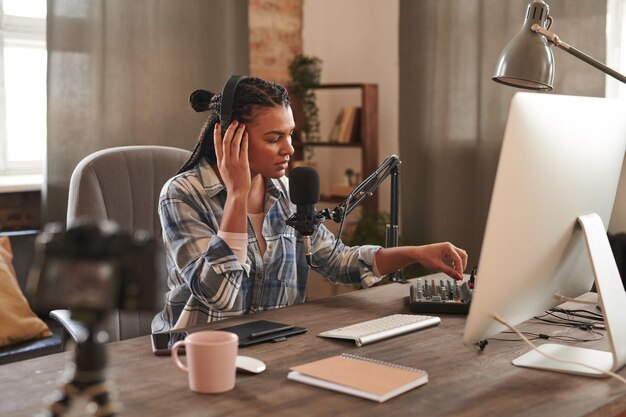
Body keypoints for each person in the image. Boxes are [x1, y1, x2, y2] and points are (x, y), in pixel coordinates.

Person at [152, 76, 468, 333]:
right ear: (231, 138)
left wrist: (416, 253)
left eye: (291, 135)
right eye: (274, 138)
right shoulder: (182, 195)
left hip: (275, 349)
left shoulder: (288, 194)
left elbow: (340, 262)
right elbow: (222, 297)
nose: (289, 148)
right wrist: (237, 194)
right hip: (196, 356)